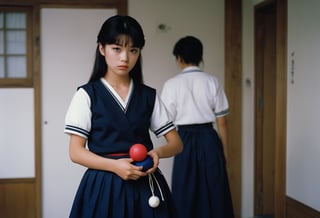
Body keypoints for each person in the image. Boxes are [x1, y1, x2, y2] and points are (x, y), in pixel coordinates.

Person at [64, 15, 183, 218]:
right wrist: (115, 166)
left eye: (133, 50)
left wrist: (157, 153)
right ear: (102, 49)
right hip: (103, 186)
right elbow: (76, 152)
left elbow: (176, 144)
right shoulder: (87, 95)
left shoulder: (148, 96)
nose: (125, 58)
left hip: (146, 185)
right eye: (117, 49)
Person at [161, 36, 234, 218]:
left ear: (179, 58)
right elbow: (222, 121)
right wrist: (225, 152)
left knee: (185, 190)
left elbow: (164, 122)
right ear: (200, 56)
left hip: (183, 139)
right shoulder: (212, 81)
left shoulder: (171, 84)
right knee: (215, 191)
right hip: (209, 137)